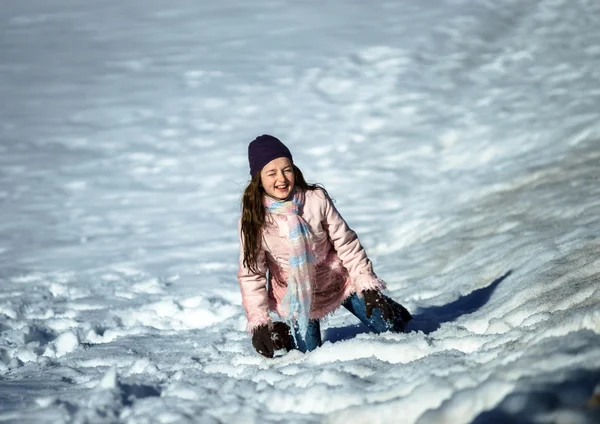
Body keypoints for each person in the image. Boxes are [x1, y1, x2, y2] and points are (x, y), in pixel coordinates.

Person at [237, 134, 412, 358]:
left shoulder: (315, 199)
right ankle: (284, 332)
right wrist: (259, 322)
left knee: (393, 330)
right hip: (298, 298)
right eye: (271, 173)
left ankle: (394, 311)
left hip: (337, 281)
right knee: (307, 355)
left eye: (287, 169)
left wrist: (367, 287)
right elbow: (252, 274)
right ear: (258, 179)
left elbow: (346, 244)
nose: (281, 178)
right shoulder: (254, 220)